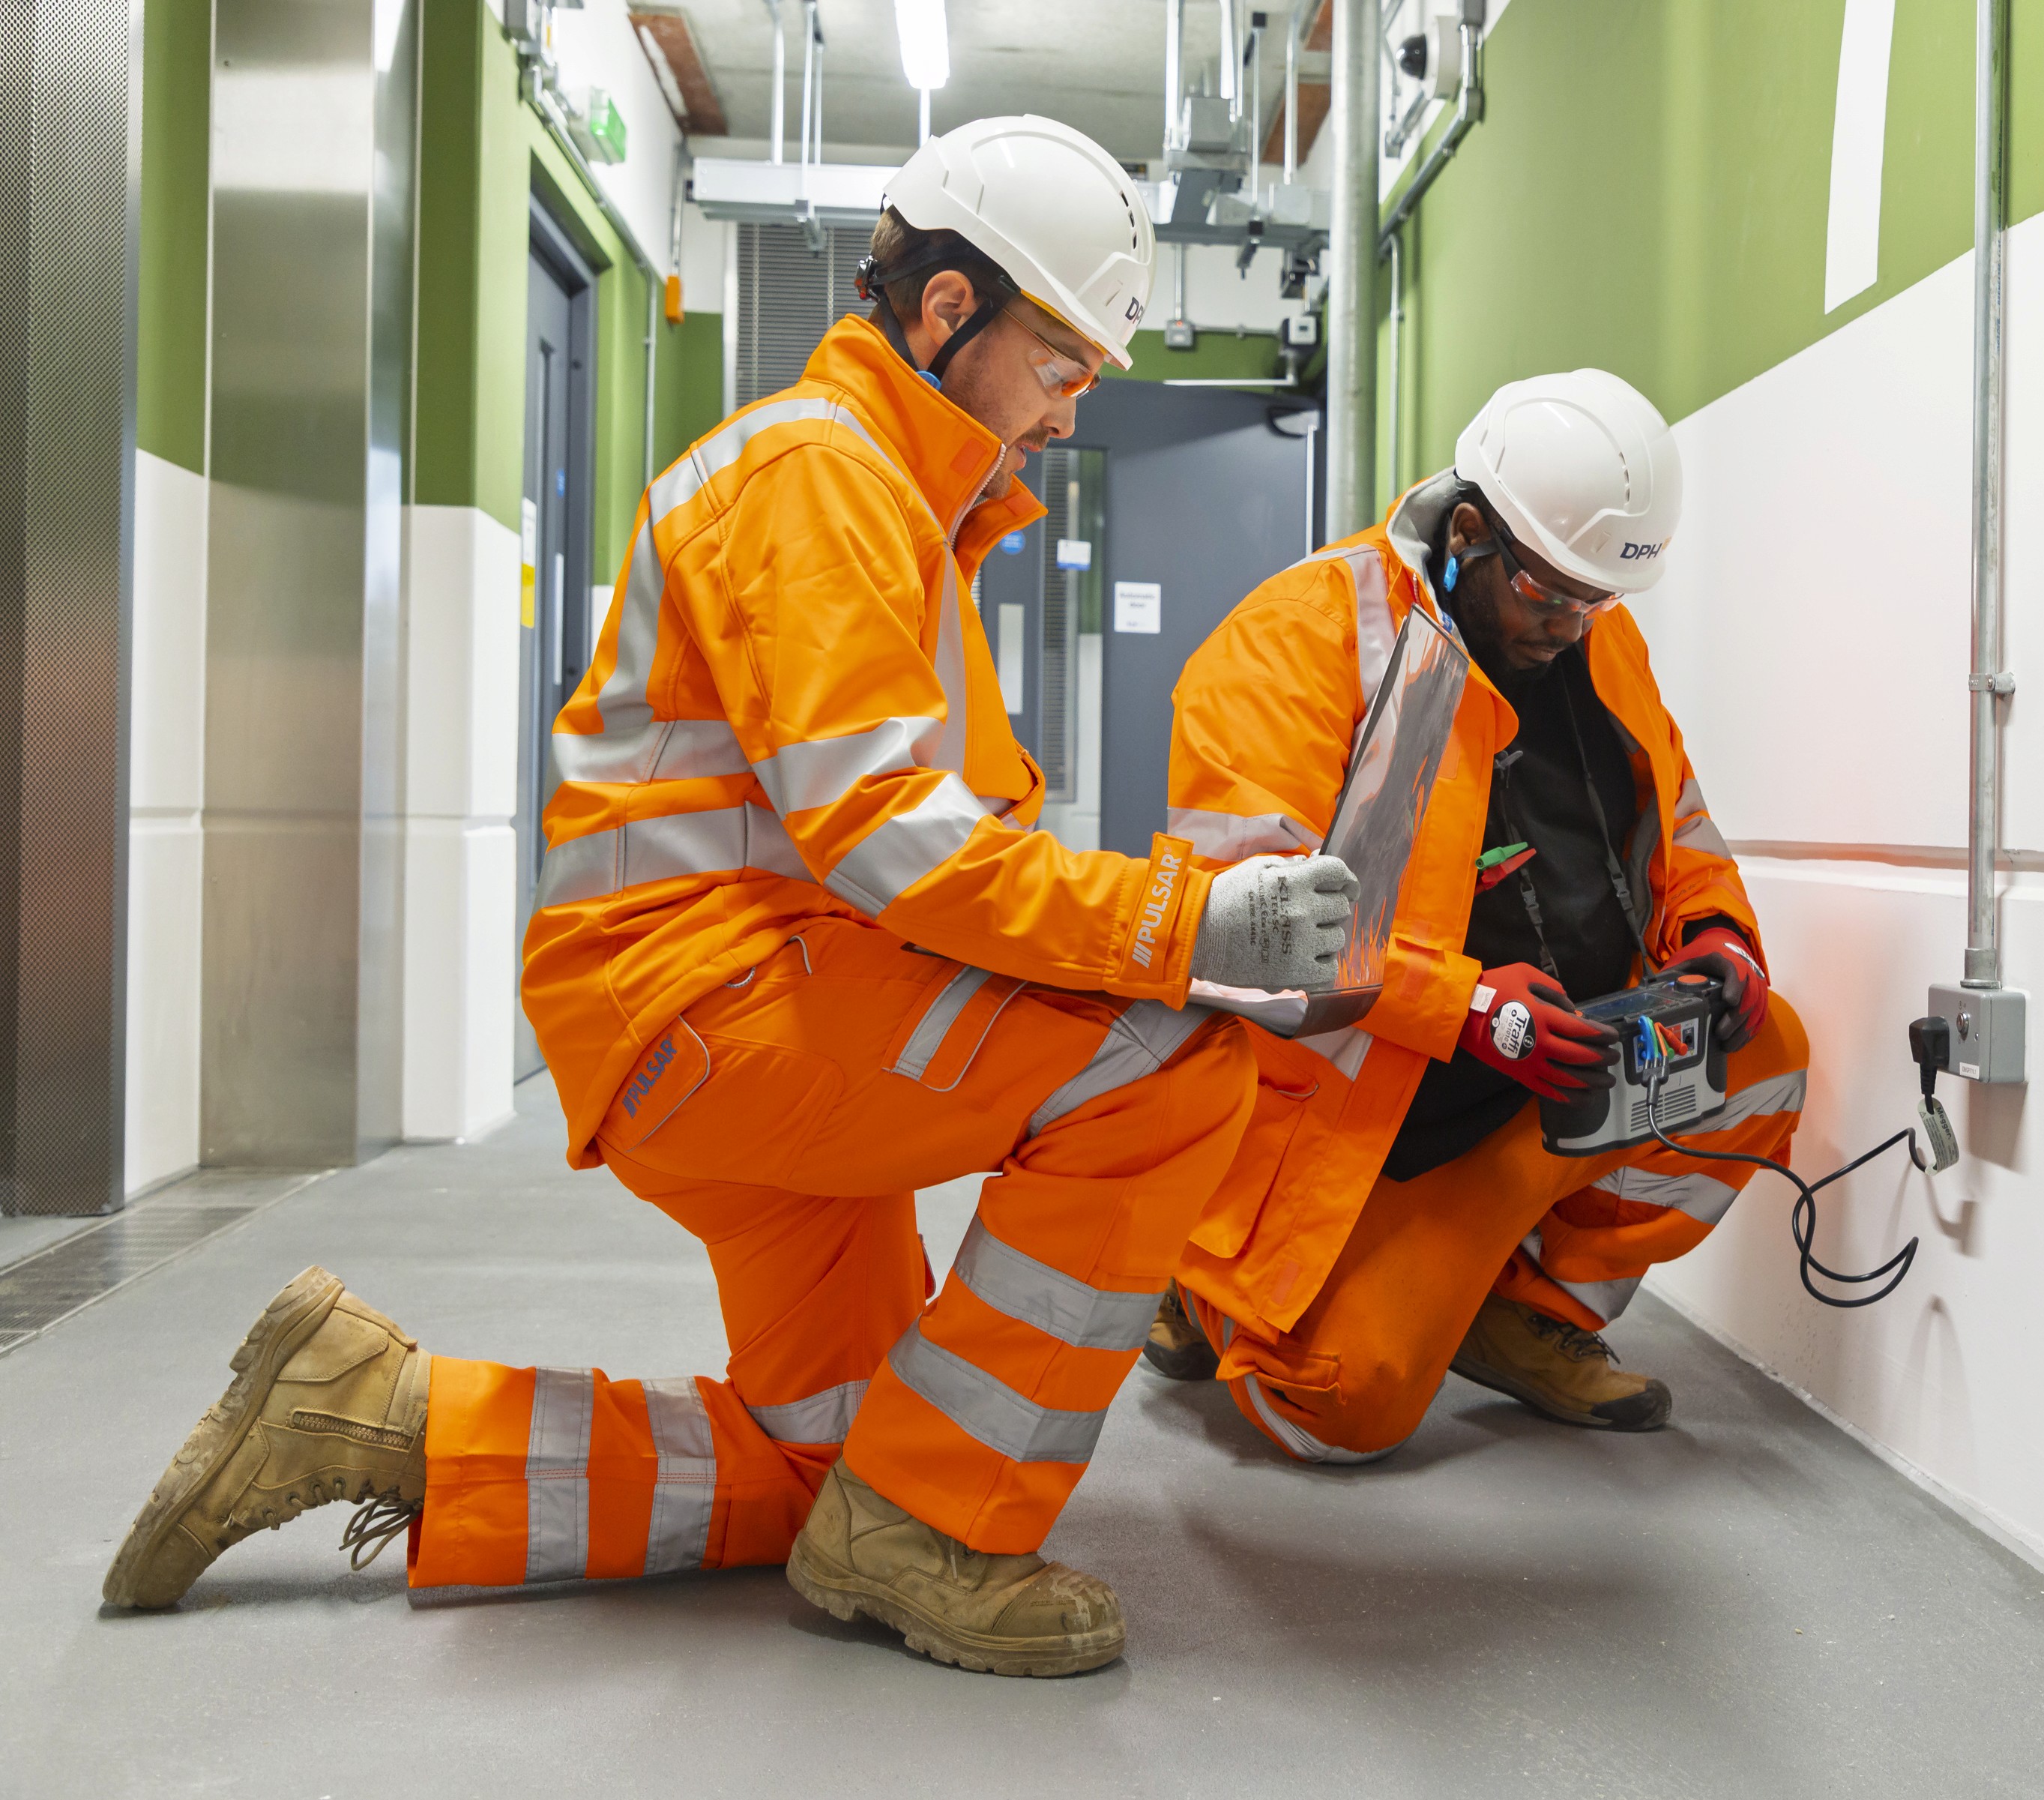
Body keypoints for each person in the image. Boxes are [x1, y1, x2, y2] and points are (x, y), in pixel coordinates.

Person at [103, 115, 1354, 1677]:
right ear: (949, 311)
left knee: (839, 1463)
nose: (1071, 404)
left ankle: (374, 1410)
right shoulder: (825, 480)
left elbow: (900, 838)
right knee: (1173, 1063)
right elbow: (892, 836)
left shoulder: (885, 501)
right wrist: (1180, 928)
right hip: (726, 1009)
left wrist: (1160, 928)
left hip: (736, 1015)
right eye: (1062, 359)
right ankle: (940, 1535)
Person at [1147, 369, 1809, 1463]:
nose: (1570, 627)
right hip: (1362, 1112)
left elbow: (1674, 814)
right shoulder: (1292, 645)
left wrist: (1713, 931)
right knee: (1340, 1406)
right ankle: (1200, 1278)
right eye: (1548, 596)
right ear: (1468, 534)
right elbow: (1244, 933)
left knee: (1766, 1058)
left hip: (1553, 1066)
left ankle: (1528, 1311)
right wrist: (1463, 1006)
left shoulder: (1594, 636)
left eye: (1598, 601)